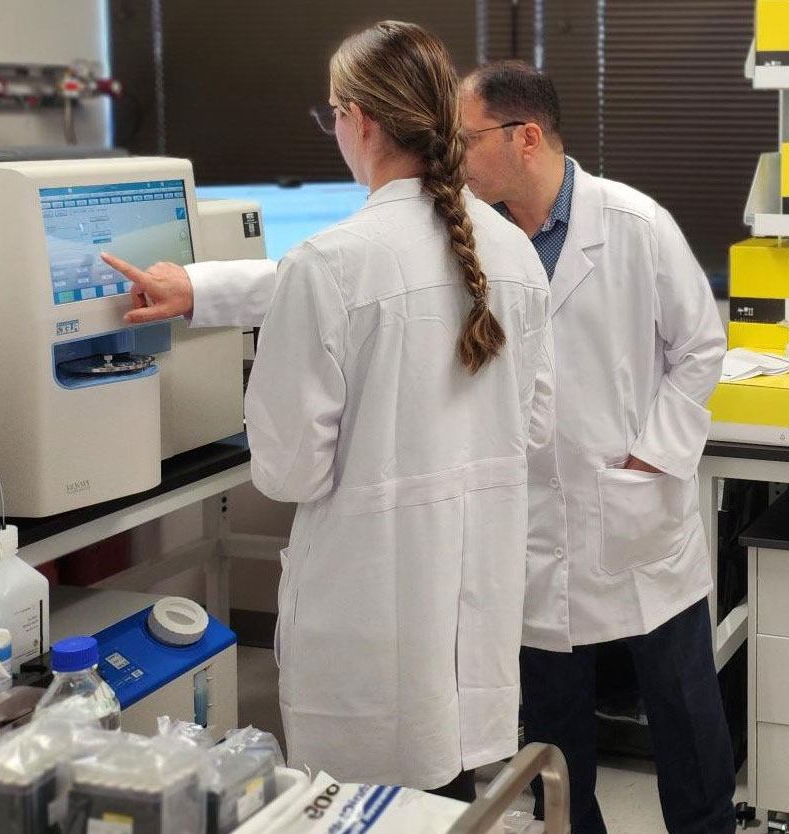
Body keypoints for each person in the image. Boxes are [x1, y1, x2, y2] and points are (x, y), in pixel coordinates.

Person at [101, 23, 555, 799]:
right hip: (470, 605)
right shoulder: (512, 251)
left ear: (361, 121)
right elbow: (532, 423)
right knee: (439, 797)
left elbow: (288, 470)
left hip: (367, 617)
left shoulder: (334, 262)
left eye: (331, 116)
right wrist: (202, 291)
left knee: (357, 805)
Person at [459, 61, 732, 834]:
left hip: (637, 516)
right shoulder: (474, 235)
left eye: (466, 138)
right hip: (535, 527)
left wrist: (654, 455)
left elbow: (701, 347)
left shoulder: (636, 224)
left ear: (526, 138)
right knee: (553, 728)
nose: (454, 155)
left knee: (683, 712)